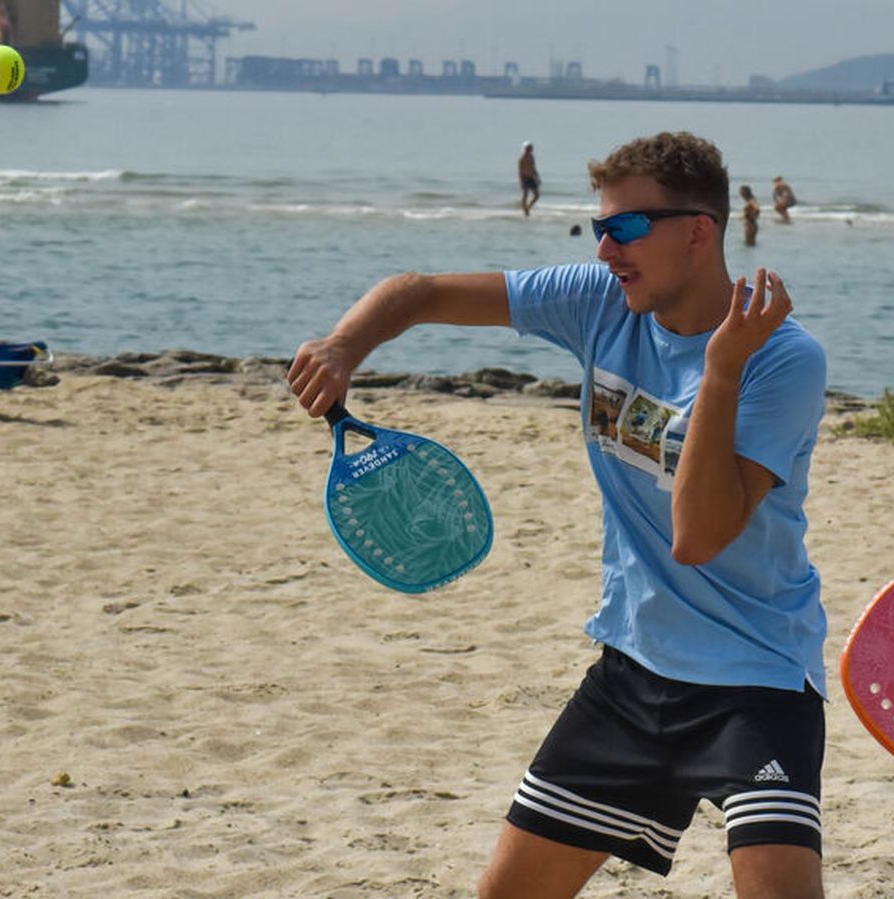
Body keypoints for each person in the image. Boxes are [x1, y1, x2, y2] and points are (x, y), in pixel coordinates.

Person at [287, 131, 830, 899]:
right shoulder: (599, 300)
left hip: (758, 681)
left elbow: (698, 535)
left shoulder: (781, 359)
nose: (605, 247)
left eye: (626, 228)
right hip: (633, 672)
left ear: (699, 231)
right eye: (599, 226)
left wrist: (721, 369)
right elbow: (417, 291)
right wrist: (344, 345)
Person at [518, 142, 541, 216]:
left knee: (537, 195)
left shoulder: (531, 156)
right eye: (530, 148)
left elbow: (533, 167)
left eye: (531, 148)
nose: (531, 149)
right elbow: (520, 171)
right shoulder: (522, 158)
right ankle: (526, 212)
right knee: (525, 195)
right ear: (526, 148)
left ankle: (528, 208)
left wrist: (537, 177)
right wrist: (521, 182)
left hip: (531, 177)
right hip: (525, 178)